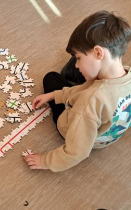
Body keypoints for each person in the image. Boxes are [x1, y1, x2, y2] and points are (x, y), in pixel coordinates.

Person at [25, 11, 131, 172]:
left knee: (51, 78)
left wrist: (44, 161)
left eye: (79, 58)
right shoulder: (127, 74)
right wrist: (54, 95)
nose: (76, 64)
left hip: (78, 134)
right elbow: (87, 89)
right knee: (80, 80)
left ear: (98, 52)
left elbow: (77, 152)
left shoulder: (89, 101)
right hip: (106, 134)